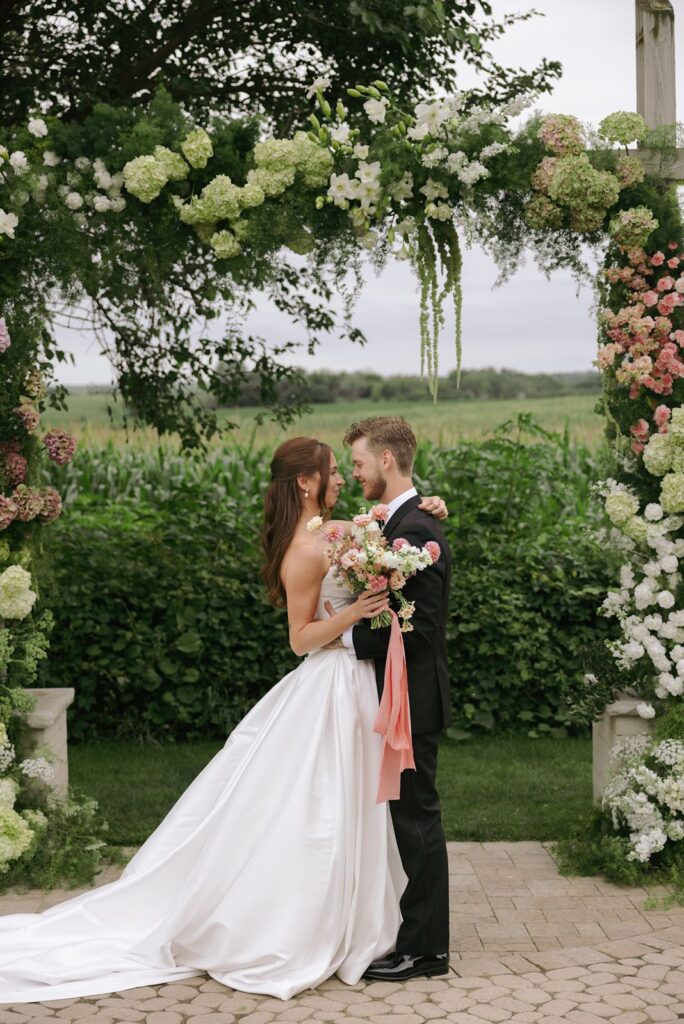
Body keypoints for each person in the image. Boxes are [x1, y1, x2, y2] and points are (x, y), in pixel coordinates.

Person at [0, 436, 448, 1004]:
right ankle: (313, 919)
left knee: (368, 802)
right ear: (306, 483)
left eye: (344, 470)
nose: (340, 479)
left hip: (364, 687)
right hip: (333, 687)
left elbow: (394, 537)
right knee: (324, 803)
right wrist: (354, 617)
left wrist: (430, 506)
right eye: (333, 473)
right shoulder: (305, 550)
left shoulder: (343, 532)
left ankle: (377, 918)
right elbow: (300, 639)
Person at [325, 416, 451, 982]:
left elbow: (417, 628)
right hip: (399, 693)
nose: (353, 473)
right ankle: (415, 937)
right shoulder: (394, 521)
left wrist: (344, 634)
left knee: (417, 820)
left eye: (358, 462)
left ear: (388, 461)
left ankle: (426, 951)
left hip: (415, 697)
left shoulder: (417, 530)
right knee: (409, 819)